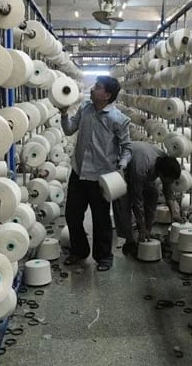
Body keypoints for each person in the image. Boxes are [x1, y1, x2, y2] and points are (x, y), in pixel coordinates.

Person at [60, 76, 132, 271]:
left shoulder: (118, 119)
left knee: (101, 219)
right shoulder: (85, 109)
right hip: (79, 172)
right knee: (72, 215)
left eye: (97, 87)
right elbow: (68, 131)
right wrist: (64, 114)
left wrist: (121, 166)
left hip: (101, 177)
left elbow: (127, 148)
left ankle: (104, 257)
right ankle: (79, 251)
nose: (92, 89)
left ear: (107, 95)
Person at [113, 141, 183, 256]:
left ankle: (147, 232)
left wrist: (174, 214)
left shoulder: (166, 163)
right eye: (168, 180)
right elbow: (137, 200)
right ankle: (129, 240)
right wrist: (141, 225)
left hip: (145, 167)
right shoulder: (141, 169)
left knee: (152, 195)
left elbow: (168, 191)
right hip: (125, 171)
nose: (169, 183)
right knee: (123, 205)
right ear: (161, 174)